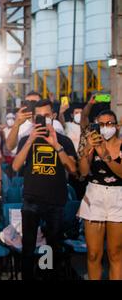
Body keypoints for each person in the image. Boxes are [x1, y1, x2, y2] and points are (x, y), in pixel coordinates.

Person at [12, 99, 77, 280]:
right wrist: (30, 140)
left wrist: (56, 145)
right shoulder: (26, 139)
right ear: (33, 120)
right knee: (28, 246)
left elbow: (73, 169)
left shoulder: (64, 140)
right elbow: (16, 166)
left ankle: (48, 276)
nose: (43, 119)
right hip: (31, 199)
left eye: (47, 116)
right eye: (39, 117)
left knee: (52, 246)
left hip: (55, 200)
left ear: (54, 116)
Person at [78, 110, 122, 280]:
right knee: (93, 254)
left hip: (118, 196)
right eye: (101, 124)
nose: (105, 127)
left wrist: (105, 156)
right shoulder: (92, 145)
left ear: (116, 126)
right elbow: (83, 172)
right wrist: (87, 149)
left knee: (115, 253)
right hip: (94, 195)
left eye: (109, 123)